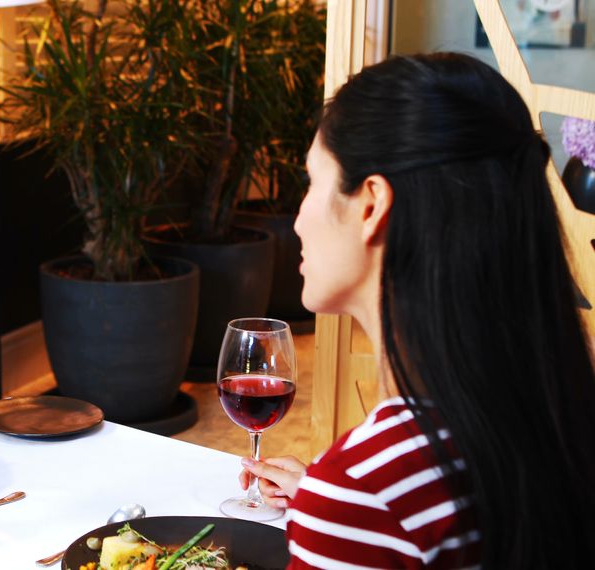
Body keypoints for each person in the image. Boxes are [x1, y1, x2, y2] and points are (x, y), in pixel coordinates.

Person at [239, 53, 595, 568]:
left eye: (313, 182)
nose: (296, 221)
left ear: (371, 205)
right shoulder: (555, 414)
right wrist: (341, 508)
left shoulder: (366, 494)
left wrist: (346, 507)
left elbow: (384, 504)